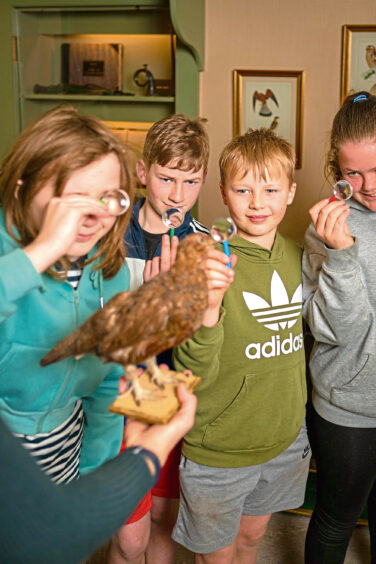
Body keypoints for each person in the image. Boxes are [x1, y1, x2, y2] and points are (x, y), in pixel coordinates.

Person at [171, 128, 311, 564]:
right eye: (243, 189)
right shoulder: (207, 260)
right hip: (220, 446)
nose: (257, 202)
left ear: (290, 193)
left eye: (271, 189)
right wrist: (208, 308)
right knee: (216, 555)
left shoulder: (300, 255)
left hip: (284, 438)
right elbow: (191, 367)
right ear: (223, 193)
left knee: (251, 539)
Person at [0, 104, 134, 484]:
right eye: (73, 199)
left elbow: (108, 379)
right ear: (22, 189)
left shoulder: (109, 271)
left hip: (64, 449)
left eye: (108, 198)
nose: (92, 216)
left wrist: (94, 471)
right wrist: (43, 250)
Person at [108, 113, 209, 564]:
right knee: (129, 540)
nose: (177, 194)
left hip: (171, 396)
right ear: (144, 173)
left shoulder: (203, 246)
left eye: (191, 182)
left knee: (164, 527)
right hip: (115, 403)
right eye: (167, 178)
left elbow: (207, 340)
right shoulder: (106, 239)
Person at [0, 383, 197, 564]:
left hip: (107, 430)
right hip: (106, 434)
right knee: (128, 543)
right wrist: (145, 457)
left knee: (151, 530)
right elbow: (51, 535)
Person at [303, 91, 376, 563]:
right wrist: (343, 254)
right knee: (336, 517)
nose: (368, 186)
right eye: (354, 173)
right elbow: (339, 332)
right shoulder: (326, 227)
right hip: (348, 404)